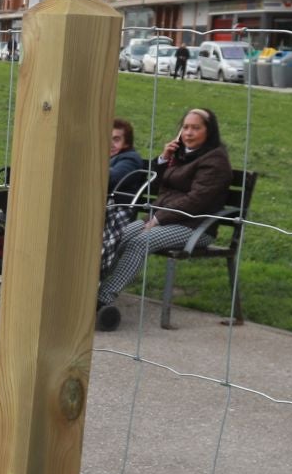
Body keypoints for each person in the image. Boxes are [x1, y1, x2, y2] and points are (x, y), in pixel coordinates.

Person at [96, 107, 233, 331]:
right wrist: (163, 159)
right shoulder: (181, 155)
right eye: (185, 127)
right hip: (163, 218)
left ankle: (102, 299)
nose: (188, 133)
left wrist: (158, 219)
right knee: (117, 236)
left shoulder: (215, 162)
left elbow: (196, 200)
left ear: (209, 132)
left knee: (140, 242)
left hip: (194, 226)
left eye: (196, 128)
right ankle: (92, 288)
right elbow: (155, 184)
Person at [107, 117, 146, 200]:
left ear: (126, 143)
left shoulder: (130, 159)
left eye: (116, 140)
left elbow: (112, 179)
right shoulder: (105, 157)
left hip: (114, 207)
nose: (110, 144)